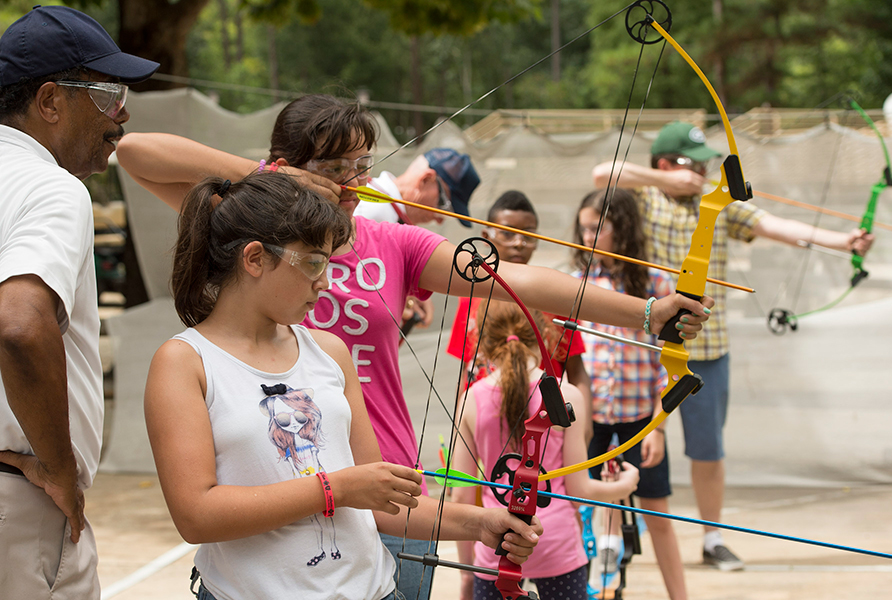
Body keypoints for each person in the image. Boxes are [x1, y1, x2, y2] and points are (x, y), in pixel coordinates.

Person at [116, 94, 713, 599]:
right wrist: (274, 181)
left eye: (362, 163)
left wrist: (646, 313)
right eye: (337, 165)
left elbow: (512, 277)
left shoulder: (388, 241)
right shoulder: (255, 238)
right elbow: (136, 152)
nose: (355, 180)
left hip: (387, 488)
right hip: (283, 503)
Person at [143, 171, 542, 600]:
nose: (325, 282)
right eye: (313, 262)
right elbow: (196, 516)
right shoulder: (184, 362)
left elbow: (378, 499)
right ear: (255, 258)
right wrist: (337, 488)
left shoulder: (330, 351)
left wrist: (480, 523)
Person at [591, 120, 875, 570]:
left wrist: (844, 242)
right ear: (665, 163)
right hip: (644, 348)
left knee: (708, 449)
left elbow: (776, 226)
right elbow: (602, 173)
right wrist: (668, 180)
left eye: (704, 165)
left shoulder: (716, 204)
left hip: (707, 346)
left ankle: (712, 537)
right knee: (624, 441)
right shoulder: (641, 198)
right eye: (692, 164)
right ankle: (613, 535)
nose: (702, 172)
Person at [0, 6, 158, 598]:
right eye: (109, 91)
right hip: (20, 507)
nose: (122, 113)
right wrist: (59, 467)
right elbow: (19, 324)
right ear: (49, 101)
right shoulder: (50, 186)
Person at [450, 300, 639, 600]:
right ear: (544, 339)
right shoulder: (566, 394)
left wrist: (466, 570)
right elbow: (578, 492)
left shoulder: (470, 398)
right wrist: (624, 486)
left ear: (482, 347)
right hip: (556, 544)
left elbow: (460, 494)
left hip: (496, 547)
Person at [573, 189, 687, 600]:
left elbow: (671, 364)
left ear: (623, 231)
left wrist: (658, 426)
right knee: (576, 511)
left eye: (597, 228)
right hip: (591, 421)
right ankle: (580, 589)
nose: (588, 237)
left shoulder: (656, 283)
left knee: (657, 515)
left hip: (642, 419)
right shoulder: (578, 283)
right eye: (583, 228)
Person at [445, 190, 590, 398]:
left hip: (542, 417)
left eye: (528, 235)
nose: (519, 242)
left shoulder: (553, 298)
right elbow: (467, 371)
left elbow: (576, 372)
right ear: (487, 237)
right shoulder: (470, 298)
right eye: (507, 233)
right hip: (486, 415)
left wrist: (583, 426)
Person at [354, 147, 480, 333]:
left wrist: (411, 295)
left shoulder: (386, 210)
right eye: (443, 205)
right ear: (426, 179)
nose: (439, 218)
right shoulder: (371, 212)